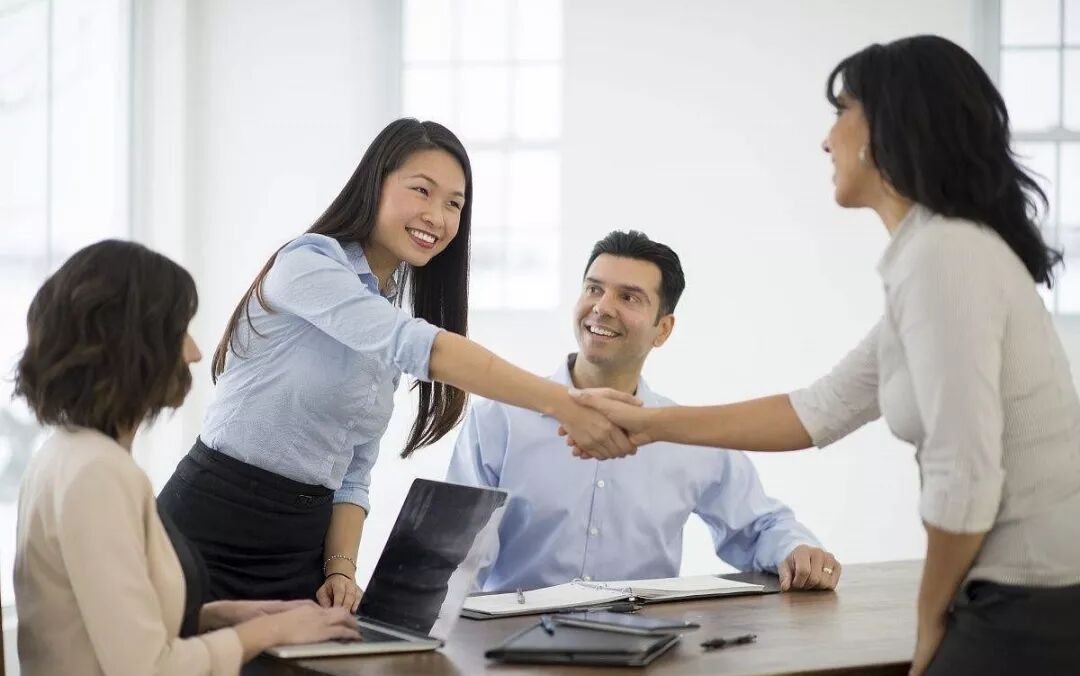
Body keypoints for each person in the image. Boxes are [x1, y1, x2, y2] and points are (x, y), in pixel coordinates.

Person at [568, 36, 1080, 676]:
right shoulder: (936, 255)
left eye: (842, 112)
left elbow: (965, 475)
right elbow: (820, 410)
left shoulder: (944, 257)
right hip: (1022, 595)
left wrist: (930, 618)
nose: (827, 140)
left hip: (1030, 602)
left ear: (888, 128)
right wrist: (650, 424)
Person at [157, 118, 637, 612]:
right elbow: (421, 347)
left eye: (454, 204)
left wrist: (340, 569)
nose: (437, 216)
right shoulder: (308, 263)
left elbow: (352, 473)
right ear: (375, 184)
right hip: (212, 525)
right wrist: (564, 403)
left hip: (301, 546)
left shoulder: (385, 314)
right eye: (422, 191)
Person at [13, 240, 361, 676]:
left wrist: (220, 616)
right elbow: (148, 669)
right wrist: (270, 632)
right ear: (131, 344)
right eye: (180, 332)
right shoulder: (97, 474)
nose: (194, 352)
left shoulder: (65, 453)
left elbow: (103, 622)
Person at [447, 230, 839, 593]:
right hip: (516, 638)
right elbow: (454, 558)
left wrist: (796, 549)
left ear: (663, 329)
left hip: (647, 637)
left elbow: (759, 526)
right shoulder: (498, 420)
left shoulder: (687, 435)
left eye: (629, 297)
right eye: (594, 289)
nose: (602, 307)